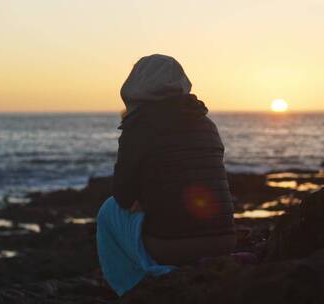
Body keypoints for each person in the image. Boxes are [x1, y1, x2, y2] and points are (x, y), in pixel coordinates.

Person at [96, 54, 236, 296]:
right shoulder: (206, 123)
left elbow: (123, 195)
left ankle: (131, 290)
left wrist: (141, 199)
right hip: (224, 241)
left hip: (172, 246)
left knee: (108, 211)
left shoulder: (138, 126)